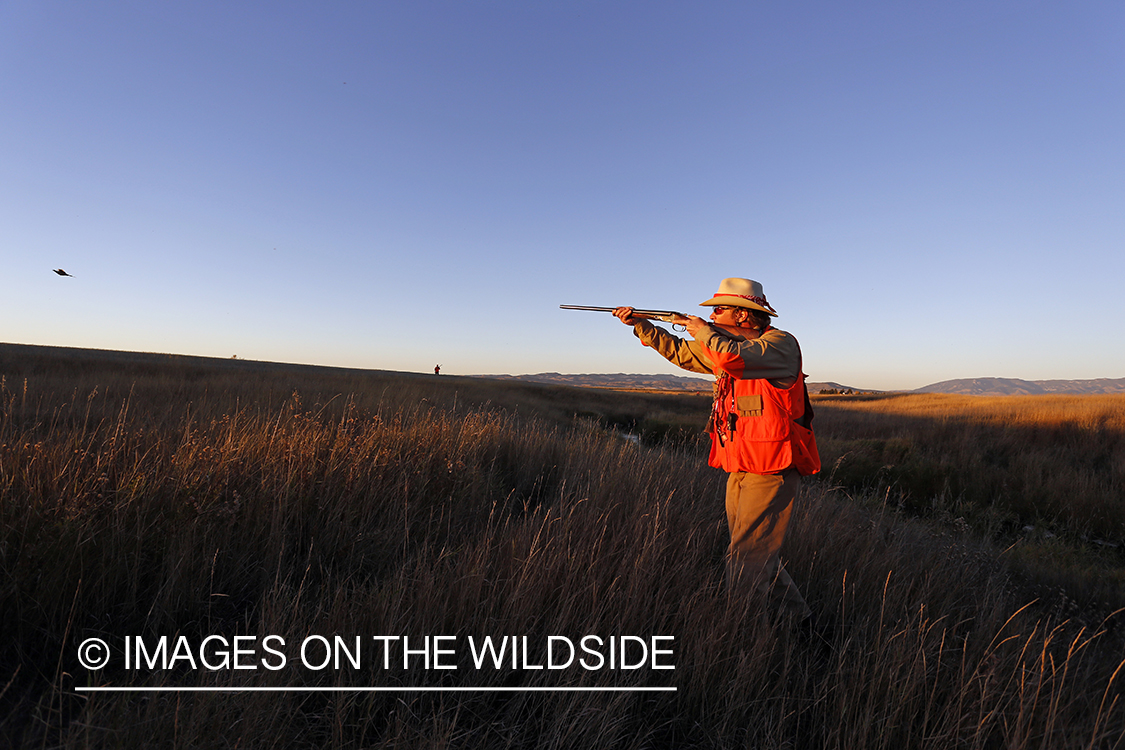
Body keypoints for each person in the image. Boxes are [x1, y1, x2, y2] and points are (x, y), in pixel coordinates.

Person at [613, 278, 820, 620]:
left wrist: (700, 329)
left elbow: (732, 357)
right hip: (740, 464)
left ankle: (744, 641)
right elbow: (683, 354)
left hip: (772, 469)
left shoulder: (779, 344)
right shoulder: (722, 345)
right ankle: (802, 624)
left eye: (718, 309)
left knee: (747, 560)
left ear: (743, 316)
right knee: (750, 552)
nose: (710, 314)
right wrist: (643, 326)